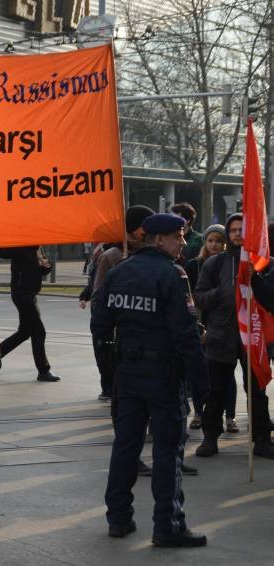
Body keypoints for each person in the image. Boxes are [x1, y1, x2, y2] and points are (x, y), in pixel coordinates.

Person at [91, 213, 208, 547]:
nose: (182, 242)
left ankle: (118, 518)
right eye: (177, 236)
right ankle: (168, 526)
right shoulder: (173, 274)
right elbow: (185, 334)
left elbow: (100, 325)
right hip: (164, 377)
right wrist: (201, 383)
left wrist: (115, 366)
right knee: (168, 451)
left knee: (125, 447)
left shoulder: (119, 271)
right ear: (157, 239)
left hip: (127, 374)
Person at [193, 213, 274, 459]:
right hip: (221, 336)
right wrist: (221, 293)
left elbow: (270, 300)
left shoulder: (266, 262)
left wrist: (254, 277)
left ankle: (262, 439)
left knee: (257, 392)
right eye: (234, 230)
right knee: (216, 391)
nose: (238, 233)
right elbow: (200, 297)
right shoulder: (215, 264)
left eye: (243, 229)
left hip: (254, 338)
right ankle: (210, 437)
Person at [87, 205, 155, 400]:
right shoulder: (112, 256)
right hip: (118, 327)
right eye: (144, 225)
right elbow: (98, 294)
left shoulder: (155, 253)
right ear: (133, 228)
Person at [184, 224, 237, 433]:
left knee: (226, 375)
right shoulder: (194, 265)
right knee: (200, 373)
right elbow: (190, 297)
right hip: (199, 324)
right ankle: (199, 413)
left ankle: (230, 416)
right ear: (205, 242)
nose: (214, 245)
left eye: (219, 241)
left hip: (223, 328)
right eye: (210, 240)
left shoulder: (230, 264)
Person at [0, 246, 59, 382]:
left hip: (30, 294)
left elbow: (38, 270)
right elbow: (1, 252)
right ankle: (43, 370)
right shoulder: (21, 246)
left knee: (24, 332)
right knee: (39, 332)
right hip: (22, 294)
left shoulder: (37, 248)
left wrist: (47, 266)